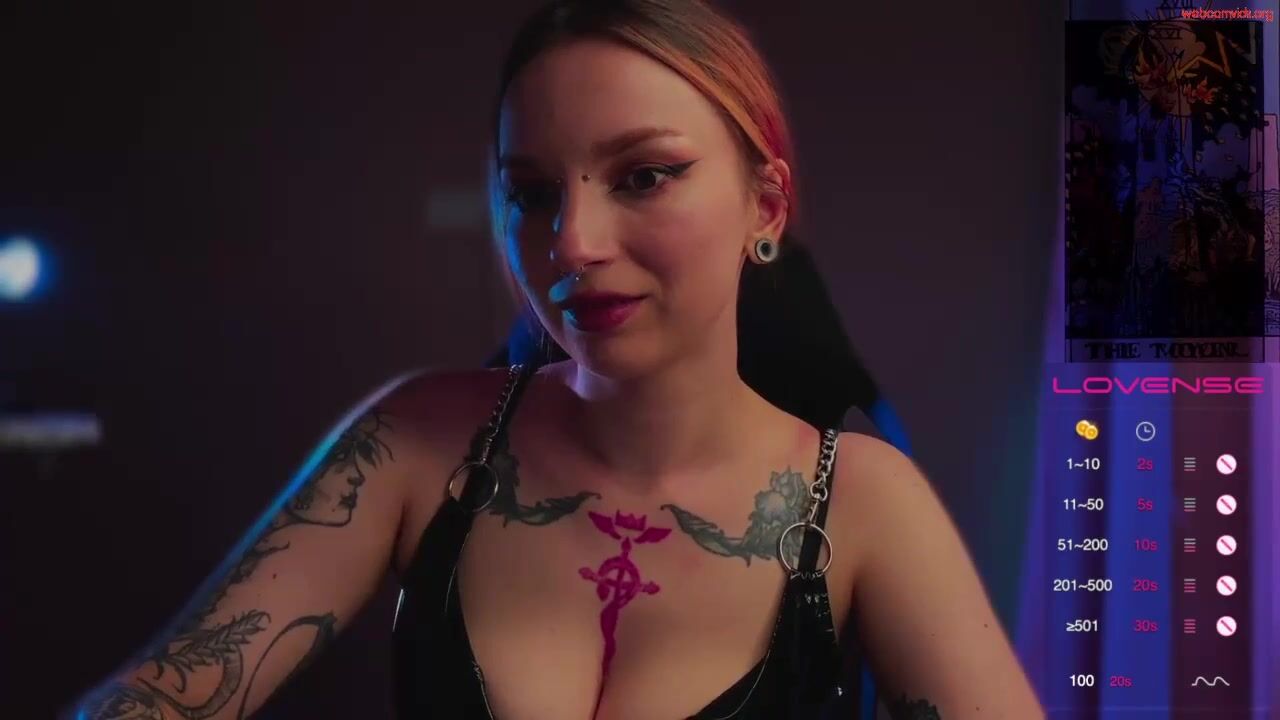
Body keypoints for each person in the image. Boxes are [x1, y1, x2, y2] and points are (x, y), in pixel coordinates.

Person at [71, 1, 1043, 718]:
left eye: (644, 175)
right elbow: (163, 694)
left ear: (766, 204)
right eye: (532, 193)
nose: (571, 241)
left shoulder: (864, 504)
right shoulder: (415, 443)